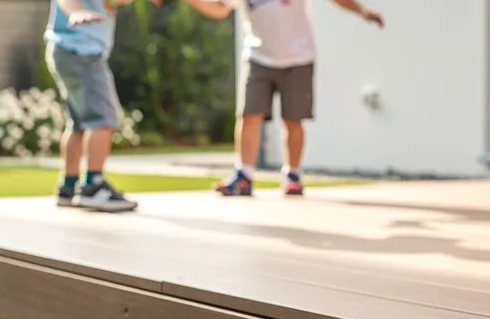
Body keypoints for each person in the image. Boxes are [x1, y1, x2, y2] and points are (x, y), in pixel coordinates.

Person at [45, 0, 232, 212]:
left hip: (66, 50)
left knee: (78, 123)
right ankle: (92, 186)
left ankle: (68, 187)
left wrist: (217, 7)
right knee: (103, 119)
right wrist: (76, 11)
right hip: (82, 53)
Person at [204, 0, 384, 198]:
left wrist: (361, 10)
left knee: (293, 119)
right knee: (249, 115)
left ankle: (293, 175)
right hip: (258, 56)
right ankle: (243, 177)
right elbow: (220, 8)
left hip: (298, 57)